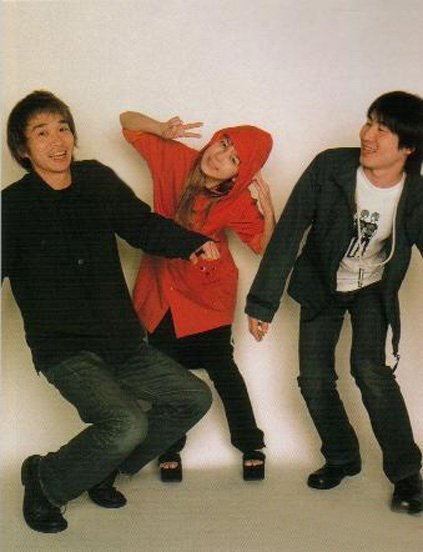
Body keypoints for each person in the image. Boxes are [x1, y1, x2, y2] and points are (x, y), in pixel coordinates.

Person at [1, 90, 222, 533]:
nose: (57, 140)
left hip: (122, 341)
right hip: (65, 350)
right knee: (126, 423)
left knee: (193, 398)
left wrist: (191, 243)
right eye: (42, 133)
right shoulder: (12, 207)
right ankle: (46, 480)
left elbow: (141, 225)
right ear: (23, 150)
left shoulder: (96, 180)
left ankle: (101, 469)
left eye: (63, 128)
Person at [245, 91, 423, 514]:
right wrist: (262, 303)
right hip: (321, 283)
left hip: (373, 289)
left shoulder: (416, 193)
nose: (368, 135)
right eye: (369, 122)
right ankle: (342, 456)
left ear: (408, 148)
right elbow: (290, 230)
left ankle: (407, 475)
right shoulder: (330, 167)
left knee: (369, 370)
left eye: (383, 129)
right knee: (314, 378)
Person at [120, 109, 275, 481]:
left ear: (239, 174)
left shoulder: (236, 199)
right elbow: (126, 121)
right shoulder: (175, 157)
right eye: (223, 144)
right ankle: (168, 448)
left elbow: (265, 247)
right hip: (160, 290)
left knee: (223, 369)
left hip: (208, 296)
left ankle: (250, 444)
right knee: (164, 373)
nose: (219, 158)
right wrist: (159, 128)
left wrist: (267, 209)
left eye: (233, 159)